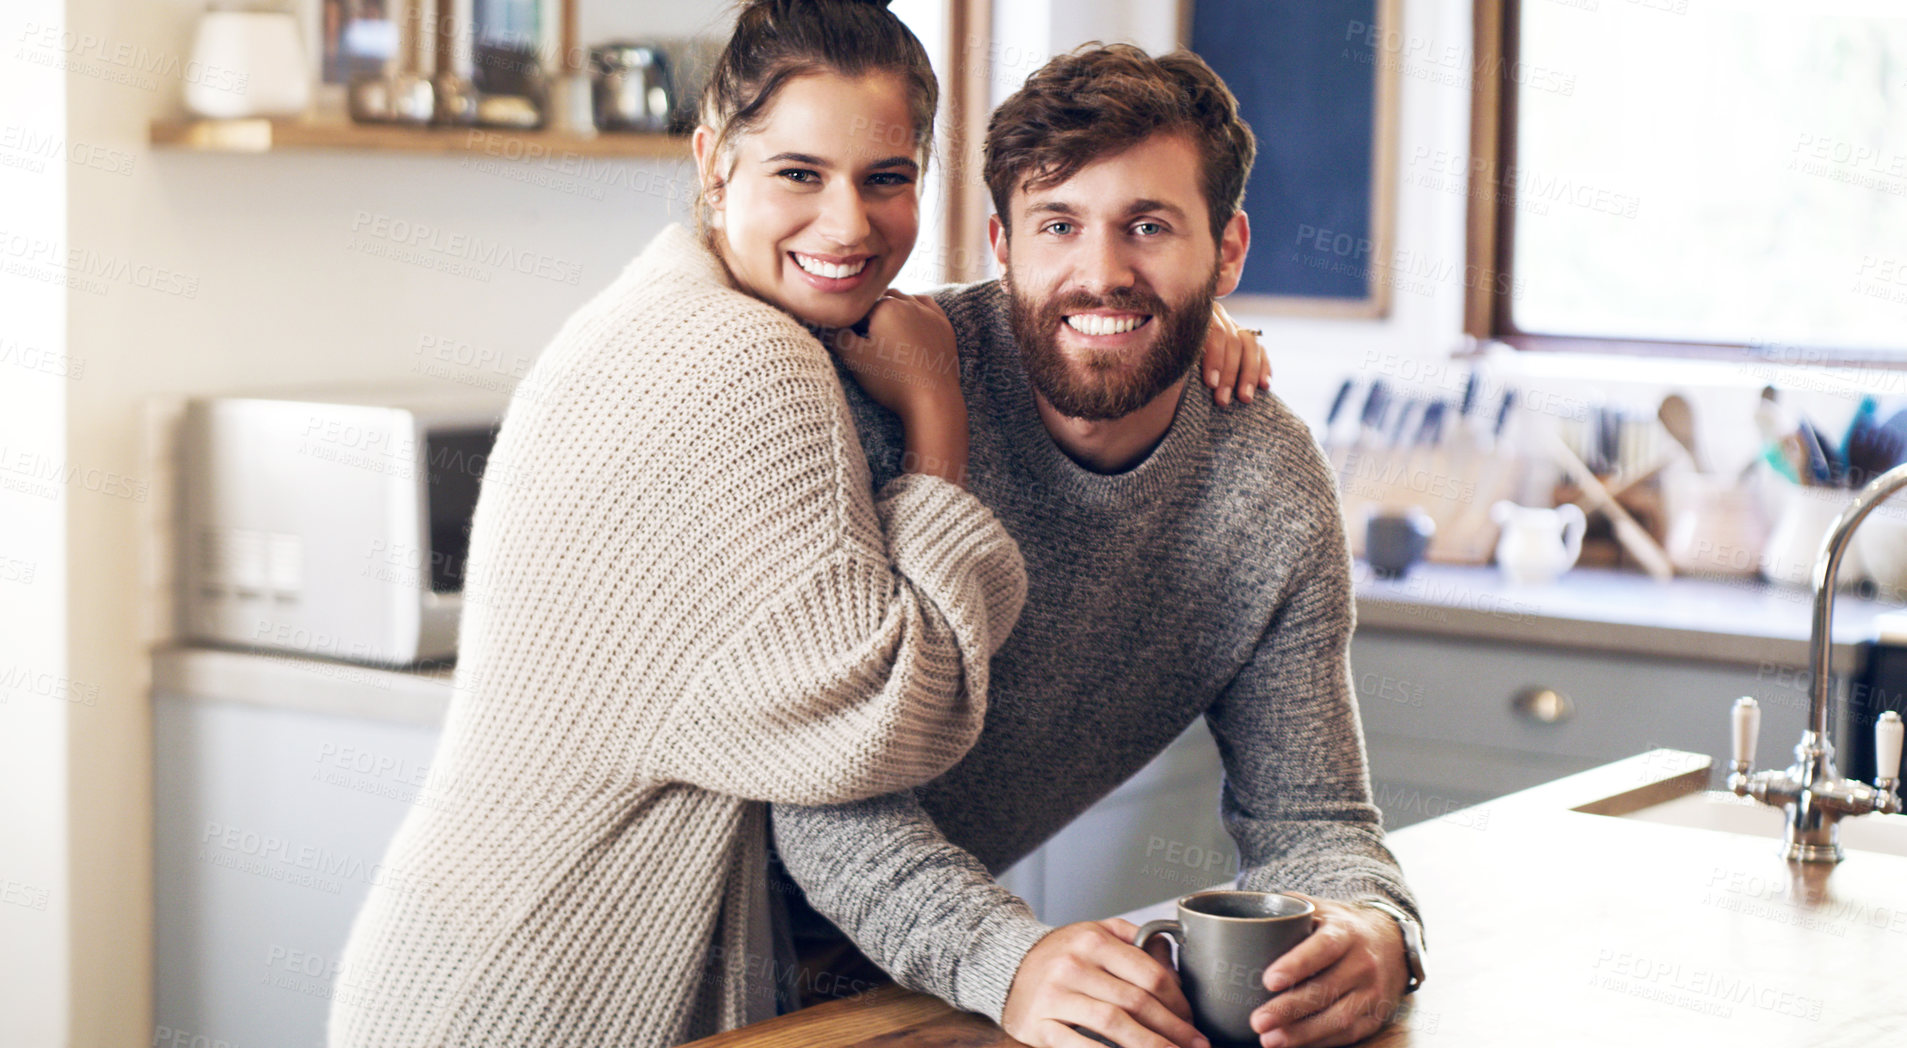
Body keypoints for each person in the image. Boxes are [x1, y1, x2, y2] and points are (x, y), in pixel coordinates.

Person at [325, 5, 1266, 1045]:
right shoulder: (746, 363)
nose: (848, 226)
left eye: (885, 178)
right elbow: (893, 719)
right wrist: (937, 412)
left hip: (466, 972)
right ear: (712, 162)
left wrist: (1161, 317)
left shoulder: (678, 305)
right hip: (533, 1004)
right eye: (798, 174)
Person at [771, 43, 1422, 1048]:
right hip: (677, 934)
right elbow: (824, 794)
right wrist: (1008, 957)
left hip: (890, 994)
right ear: (1002, 242)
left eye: (1148, 226)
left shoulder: (1267, 493)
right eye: (1059, 224)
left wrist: (1373, 928)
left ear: (1229, 249)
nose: (1102, 273)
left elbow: (1314, 818)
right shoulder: (871, 390)